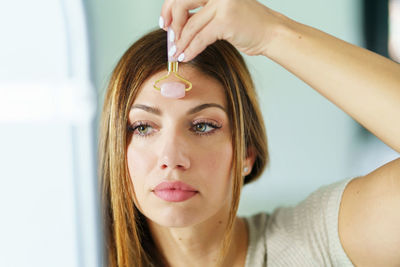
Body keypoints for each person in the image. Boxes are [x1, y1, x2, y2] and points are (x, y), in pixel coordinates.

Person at [99, 0, 400, 266]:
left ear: (246, 153)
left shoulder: (312, 244)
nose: (171, 158)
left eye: (203, 126)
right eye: (143, 127)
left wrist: (271, 33)